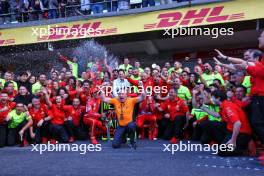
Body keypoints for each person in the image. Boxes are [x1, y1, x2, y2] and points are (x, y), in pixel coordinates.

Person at [201, 90, 252, 156]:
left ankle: (241, 148)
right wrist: (204, 108)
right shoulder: (224, 105)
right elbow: (217, 115)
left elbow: (237, 123)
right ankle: (223, 143)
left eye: (212, 97)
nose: (211, 99)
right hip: (231, 130)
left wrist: (233, 141)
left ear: (218, 98)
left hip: (242, 133)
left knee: (222, 152)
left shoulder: (227, 106)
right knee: (206, 124)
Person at [100, 81, 145, 149]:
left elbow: (142, 97)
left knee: (132, 125)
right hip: (121, 126)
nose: (121, 95)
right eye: (120, 94)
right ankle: (123, 137)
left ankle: (132, 142)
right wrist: (102, 89)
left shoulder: (131, 100)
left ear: (126, 95)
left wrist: (141, 86)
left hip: (129, 125)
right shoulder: (115, 100)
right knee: (115, 145)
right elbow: (104, 99)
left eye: (123, 94)